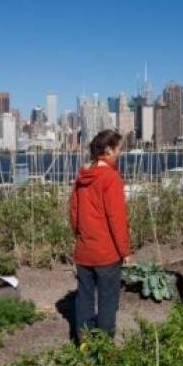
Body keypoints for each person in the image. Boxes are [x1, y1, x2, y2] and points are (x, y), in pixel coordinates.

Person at [69, 129, 131, 341]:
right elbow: (117, 218)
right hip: (106, 252)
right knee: (107, 299)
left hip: (84, 249)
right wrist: (125, 250)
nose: (120, 154)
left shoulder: (82, 175)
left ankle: (83, 341)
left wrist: (80, 236)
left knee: (84, 297)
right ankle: (103, 346)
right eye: (119, 149)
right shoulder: (110, 177)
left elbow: (74, 212)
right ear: (108, 150)